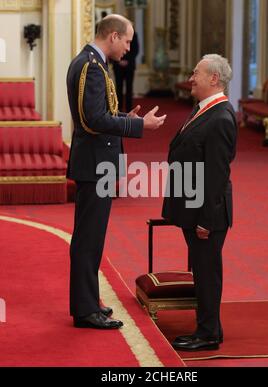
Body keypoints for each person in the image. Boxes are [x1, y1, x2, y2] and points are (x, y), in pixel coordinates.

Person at [66, 14, 166, 330]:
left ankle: (89, 301)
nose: (128, 47)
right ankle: (84, 310)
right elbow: (93, 120)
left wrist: (125, 116)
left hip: (98, 163)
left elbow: (102, 114)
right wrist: (138, 125)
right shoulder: (90, 67)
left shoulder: (93, 63)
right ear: (112, 36)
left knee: (92, 238)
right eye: (126, 40)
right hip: (95, 165)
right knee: (87, 239)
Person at [162, 54, 237, 351]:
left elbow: (217, 175)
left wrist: (206, 219)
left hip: (208, 214)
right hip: (194, 208)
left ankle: (207, 334)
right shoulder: (204, 109)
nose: (191, 78)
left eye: (197, 73)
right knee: (203, 271)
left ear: (213, 79)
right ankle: (211, 329)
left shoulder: (220, 117)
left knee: (207, 273)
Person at [112, 31, 139, 112]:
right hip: (117, 65)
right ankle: (118, 108)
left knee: (129, 87)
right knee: (118, 87)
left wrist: (127, 60)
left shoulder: (134, 35)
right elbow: (113, 47)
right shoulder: (117, 33)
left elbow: (135, 50)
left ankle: (128, 109)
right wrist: (119, 60)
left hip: (129, 65)